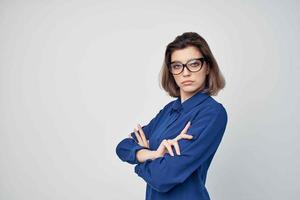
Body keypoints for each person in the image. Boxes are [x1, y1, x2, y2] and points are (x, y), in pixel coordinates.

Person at [115, 32, 228, 200]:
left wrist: (139, 161)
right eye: (177, 66)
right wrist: (152, 154)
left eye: (194, 64)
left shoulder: (212, 113)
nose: (185, 73)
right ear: (171, 72)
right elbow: (122, 147)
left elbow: (163, 177)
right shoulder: (169, 110)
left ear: (208, 67)